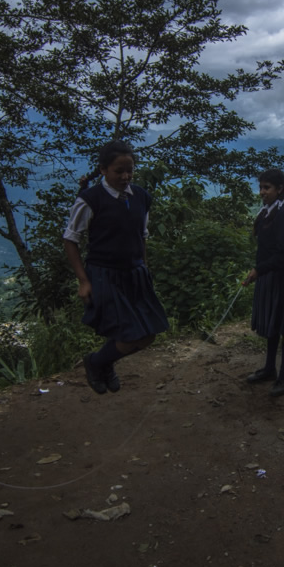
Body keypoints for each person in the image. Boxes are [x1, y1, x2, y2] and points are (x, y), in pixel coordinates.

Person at [63, 140, 169, 395]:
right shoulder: (90, 200)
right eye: (118, 171)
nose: (125, 176)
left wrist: (144, 267)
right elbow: (70, 240)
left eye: (129, 170)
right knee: (130, 333)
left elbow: (141, 236)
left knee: (148, 333)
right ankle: (100, 363)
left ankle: (101, 362)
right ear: (103, 170)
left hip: (134, 273)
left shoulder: (141, 197)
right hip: (105, 275)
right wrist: (83, 280)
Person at [242, 169, 284, 397]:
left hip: (280, 278)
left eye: (267, 188)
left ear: (280, 189)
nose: (262, 192)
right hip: (268, 276)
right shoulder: (267, 213)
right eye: (261, 188)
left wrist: (259, 269)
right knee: (272, 325)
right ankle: (269, 368)